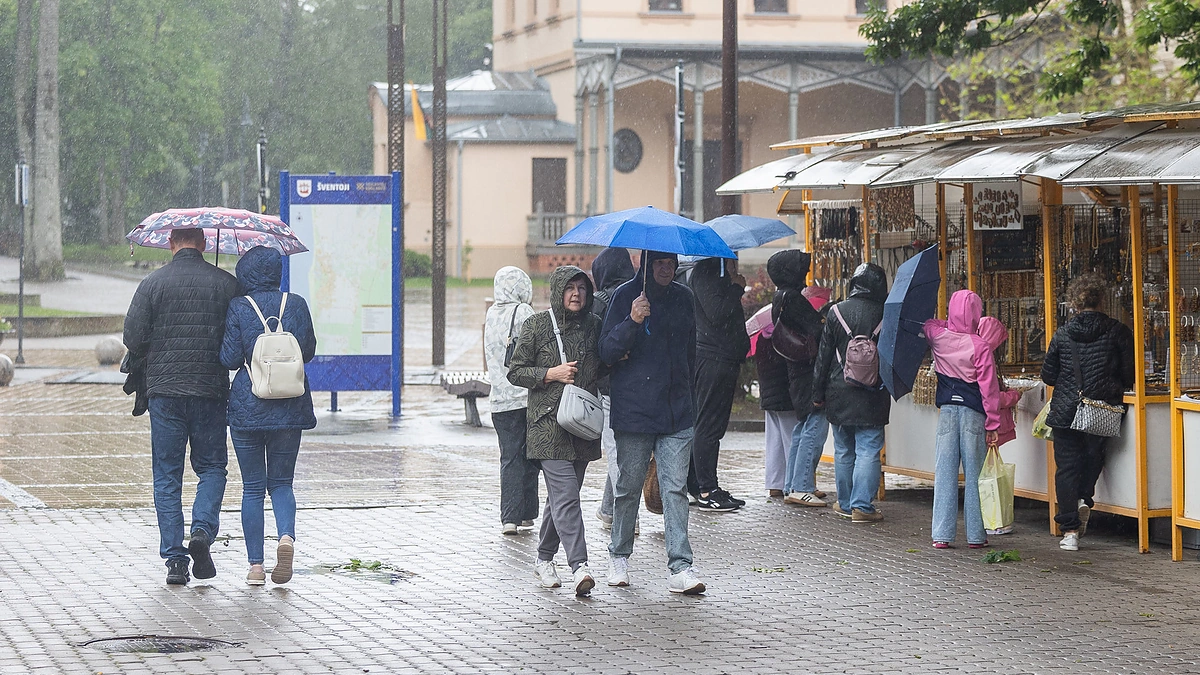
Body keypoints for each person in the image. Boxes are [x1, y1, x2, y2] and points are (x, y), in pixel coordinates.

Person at [123, 227, 239, 585]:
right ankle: (201, 530)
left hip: (165, 393)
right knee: (212, 468)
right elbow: (237, 341)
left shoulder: (152, 284)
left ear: (171, 244)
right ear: (204, 245)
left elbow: (132, 338)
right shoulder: (226, 284)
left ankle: (175, 560)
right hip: (210, 391)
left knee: (167, 476)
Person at [600, 250, 705, 595]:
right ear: (646, 266)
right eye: (659, 263)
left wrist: (689, 396)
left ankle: (681, 566)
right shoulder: (624, 296)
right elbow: (606, 352)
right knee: (628, 487)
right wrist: (631, 320)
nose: (666, 269)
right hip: (634, 410)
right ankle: (619, 556)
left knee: (675, 489)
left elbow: (690, 351)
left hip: (676, 411)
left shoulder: (684, 298)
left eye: (670, 264)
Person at [218, 246, 317, 585]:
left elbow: (229, 358)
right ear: (278, 272)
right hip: (290, 405)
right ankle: (286, 538)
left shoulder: (239, 307)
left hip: (249, 407)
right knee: (282, 483)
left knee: (253, 488)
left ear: (244, 274)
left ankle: (256, 568)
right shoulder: (297, 304)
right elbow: (309, 351)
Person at [507, 266, 605, 596]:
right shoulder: (536, 325)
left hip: (582, 425)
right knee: (566, 498)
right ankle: (580, 566)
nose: (576, 294)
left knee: (563, 499)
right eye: (569, 288)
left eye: (582, 287)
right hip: (547, 428)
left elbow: (604, 368)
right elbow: (515, 372)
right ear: (557, 291)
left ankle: (544, 558)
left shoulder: (595, 327)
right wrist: (550, 373)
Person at [1041, 273, 1135, 551]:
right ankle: (1084, 497)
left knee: (1066, 468)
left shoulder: (1063, 333)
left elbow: (1048, 376)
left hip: (1066, 411)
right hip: (1101, 409)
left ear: (1074, 302)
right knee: (1094, 458)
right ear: (1102, 299)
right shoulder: (1119, 331)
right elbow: (1130, 374)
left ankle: (1069, 531)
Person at [924, 290, 1012, 549]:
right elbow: (989, 389)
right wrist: (993, 424)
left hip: (947, 413)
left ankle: (942, 534)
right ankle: (976, 535)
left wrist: (948, 323)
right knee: (975, 474)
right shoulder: (980, 345)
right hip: (974, 414)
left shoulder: (937, 336)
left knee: (945, 473)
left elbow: (931, 324)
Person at [812, 262, 890, 523]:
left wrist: (817, 393)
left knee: (844, 450)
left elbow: (823, 357)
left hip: (839, 390)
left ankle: (844, 504)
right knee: (869, 449)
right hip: (873, 392)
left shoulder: (836, 312)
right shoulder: (887, 313)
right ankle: (862, 507)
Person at [686, 257, 750, 511]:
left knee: (709, 424)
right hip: (714, 358)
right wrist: (736, 287)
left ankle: (697, 484)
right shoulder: (707, 271)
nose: (736, 257)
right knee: (708, 425)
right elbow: (717, 312)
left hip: (722, 357)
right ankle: (706, 489)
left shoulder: (714, 271)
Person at [767, 251, 828, 507]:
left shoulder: (780, 296)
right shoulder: (792, 298)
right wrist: (826, 315)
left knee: (803, 425)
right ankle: (801, 485)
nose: (804, 273)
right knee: (815, 423)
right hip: (807, 370)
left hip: (796, 370)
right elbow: (815, 327)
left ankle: (794, 482)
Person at [484, 266, 539, 535]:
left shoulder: (491, 312)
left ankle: (510, 516)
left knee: (509, 457)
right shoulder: (524, 312)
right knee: (530, 456)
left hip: (499, 401)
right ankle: (525, 513)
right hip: (523, 397)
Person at [590, 248, 636, 530]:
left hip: (609, 387)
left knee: (617, 453)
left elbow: (592, 344)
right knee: (626, 450)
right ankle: (609, 510)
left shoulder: (598, 302)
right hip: (639, 384)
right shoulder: (639, 295)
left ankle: (627, 519)